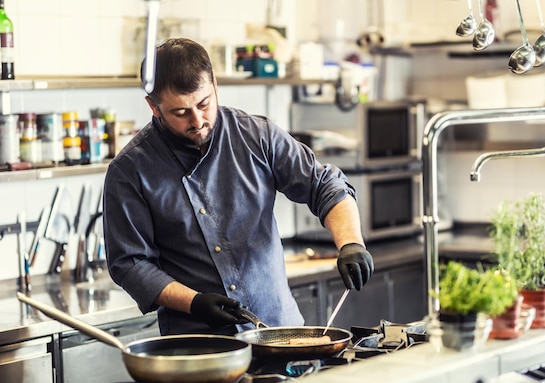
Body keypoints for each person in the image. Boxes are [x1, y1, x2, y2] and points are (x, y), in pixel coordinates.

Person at [102, 38, 374, 336]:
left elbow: (324, 185)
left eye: (204, 103)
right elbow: (130, 264)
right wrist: (194, 303)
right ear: (153, 107)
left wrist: (351, 243)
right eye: (180, 112)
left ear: (215, 83)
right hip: (201, 348)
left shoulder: (257, 135)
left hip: (281, 334)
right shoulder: (129, 172)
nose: (197, 121)